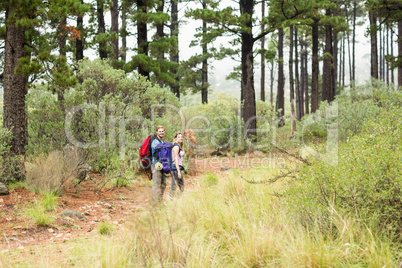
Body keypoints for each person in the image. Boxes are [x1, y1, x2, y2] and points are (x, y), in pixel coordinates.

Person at [151, 125, 166, 204]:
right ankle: (154, 203)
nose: (161, 133)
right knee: (156, 184)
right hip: (155, 165)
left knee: (163, 183)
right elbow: (157, 149)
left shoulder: (162, 141)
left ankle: (160, 201)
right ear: (157, 132)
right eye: (160, 131)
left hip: (161, 165)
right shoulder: (155, 142)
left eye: (162, 131)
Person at [170, 131, 185, 197]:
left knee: (180, 185)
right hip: (175, 168)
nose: (181, 138)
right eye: (179, 137)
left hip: (176, 168)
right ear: (175, 138)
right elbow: (175, 159)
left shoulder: (179, 146)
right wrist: (178, 171)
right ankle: (171, 199)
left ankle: (176, 199)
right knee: (176, 186)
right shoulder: (176, 147)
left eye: (181, 137)